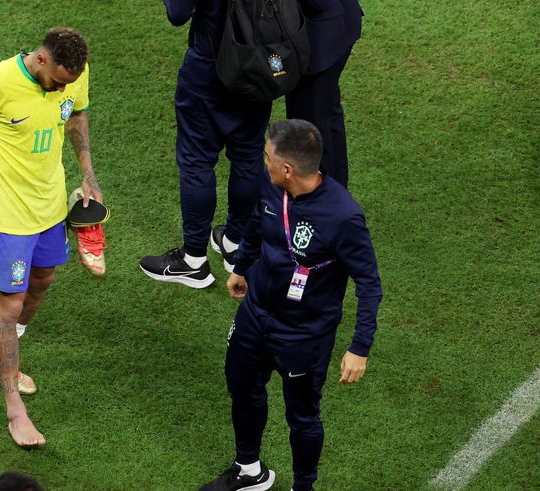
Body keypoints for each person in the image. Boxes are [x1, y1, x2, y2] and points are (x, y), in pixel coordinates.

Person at [0, 27, 102, 447]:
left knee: (44, 279)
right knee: (7, 306)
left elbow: (77, 115)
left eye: (70, 83)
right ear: (42, 60)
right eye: (59, 81)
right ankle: (16, 410)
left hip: (50, 209)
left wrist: (88, 175)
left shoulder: (73, 74)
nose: (63, 89)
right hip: (8, 215)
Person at [201, 119, 382, 491]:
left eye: (267, 157)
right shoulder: (272, 189)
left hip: (303, 333)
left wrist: (359, 347)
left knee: (302, 417)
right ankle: (249, 470)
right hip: (255, 314)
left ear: (287, 168)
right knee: (243, 389)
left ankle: (303, 488)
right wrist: (241, 269)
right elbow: (256, 226)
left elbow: (369, 284)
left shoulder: (343, 216)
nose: (261, 162)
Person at [139, 0, 273, 287]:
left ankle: (194, 260)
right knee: (248, 155)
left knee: (197, 162)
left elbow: (177, 13)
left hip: (209, 72)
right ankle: (236, 243)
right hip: (259, 68)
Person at [286, 0, 363, 188]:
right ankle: (336, 198)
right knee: (327, 115)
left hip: (319, 34)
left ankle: (321, 203)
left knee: (310, 129)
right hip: (334, 24)